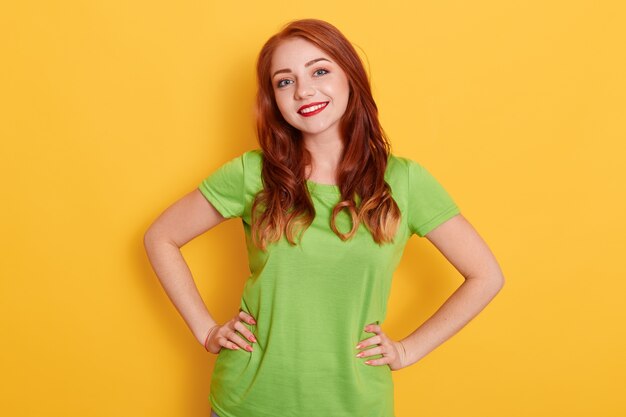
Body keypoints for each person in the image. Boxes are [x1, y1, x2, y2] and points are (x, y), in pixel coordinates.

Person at [143, 18, 505, 417]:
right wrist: (206, 329)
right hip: (246, 403)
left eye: (319, 70)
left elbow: (486, 275)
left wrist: (407, 350)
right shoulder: (253, 174)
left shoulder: (404, 181)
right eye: (285, 81)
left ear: (350, 76)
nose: (303, 90)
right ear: (274, 99)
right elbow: (161, 237)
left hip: (355, 406)